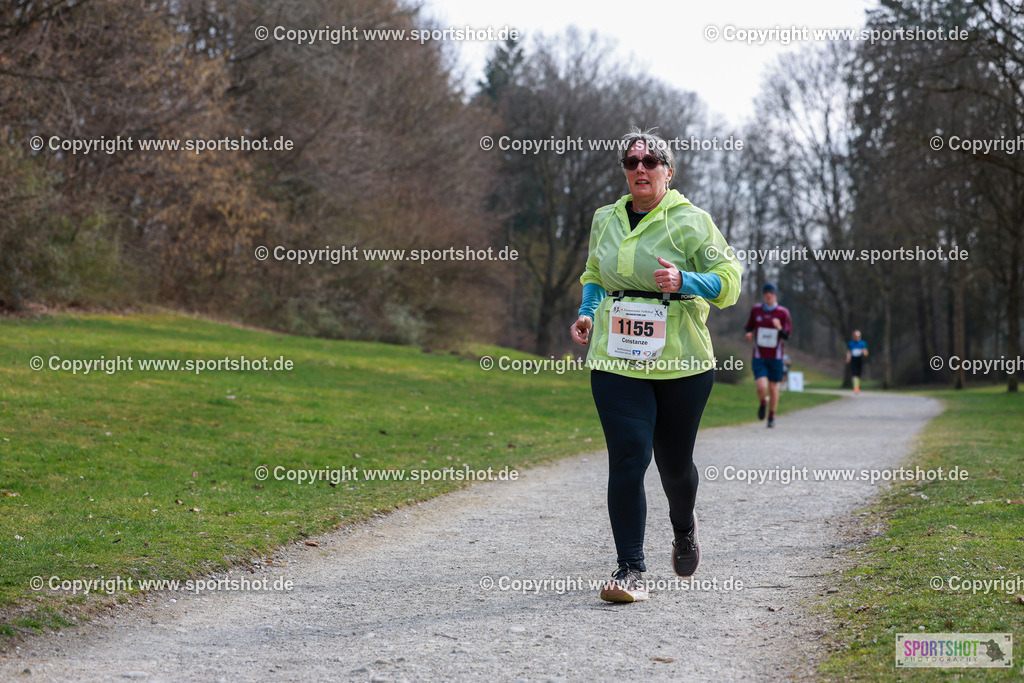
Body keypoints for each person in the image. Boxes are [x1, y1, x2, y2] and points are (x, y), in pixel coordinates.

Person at [569, 127, 742, 603]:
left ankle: (684, 528)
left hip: (681, 362)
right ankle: (630, 569)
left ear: (669, 170)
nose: (640, 169)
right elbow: (593, 276)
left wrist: (685, 278)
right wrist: (586, 312)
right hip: (616, 356)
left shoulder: (691, 221)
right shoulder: (604, 219)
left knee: (674, 465)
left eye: (651, 161)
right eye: (631, 162)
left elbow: (730, 282)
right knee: (628, 456)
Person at [744, 282, 791, 428]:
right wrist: (749, 333)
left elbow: (787, 335)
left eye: (771, 293)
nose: (769, 295)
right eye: (766, 293)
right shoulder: (756, 310)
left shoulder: (783, 313)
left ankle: (771, 417)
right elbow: (749, 326)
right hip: (759, 356)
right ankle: (763, 401)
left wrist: (779, 328)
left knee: (773, 387)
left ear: (775, 295)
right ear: (764, 295)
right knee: (761, 387)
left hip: (776, 357)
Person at [845, 330, 868, 394]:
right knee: (854, 373)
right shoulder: (850, 343)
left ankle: (857, 386)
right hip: (853, 359)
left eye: (858, 336)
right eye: (855, 336)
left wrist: (864, 352)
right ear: (853, 336)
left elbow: (866, 353)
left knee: (858, 374)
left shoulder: (863, 343)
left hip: (859, 359)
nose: (857, 337)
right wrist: (848, 359)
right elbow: (848, 352)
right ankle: (856, 388)